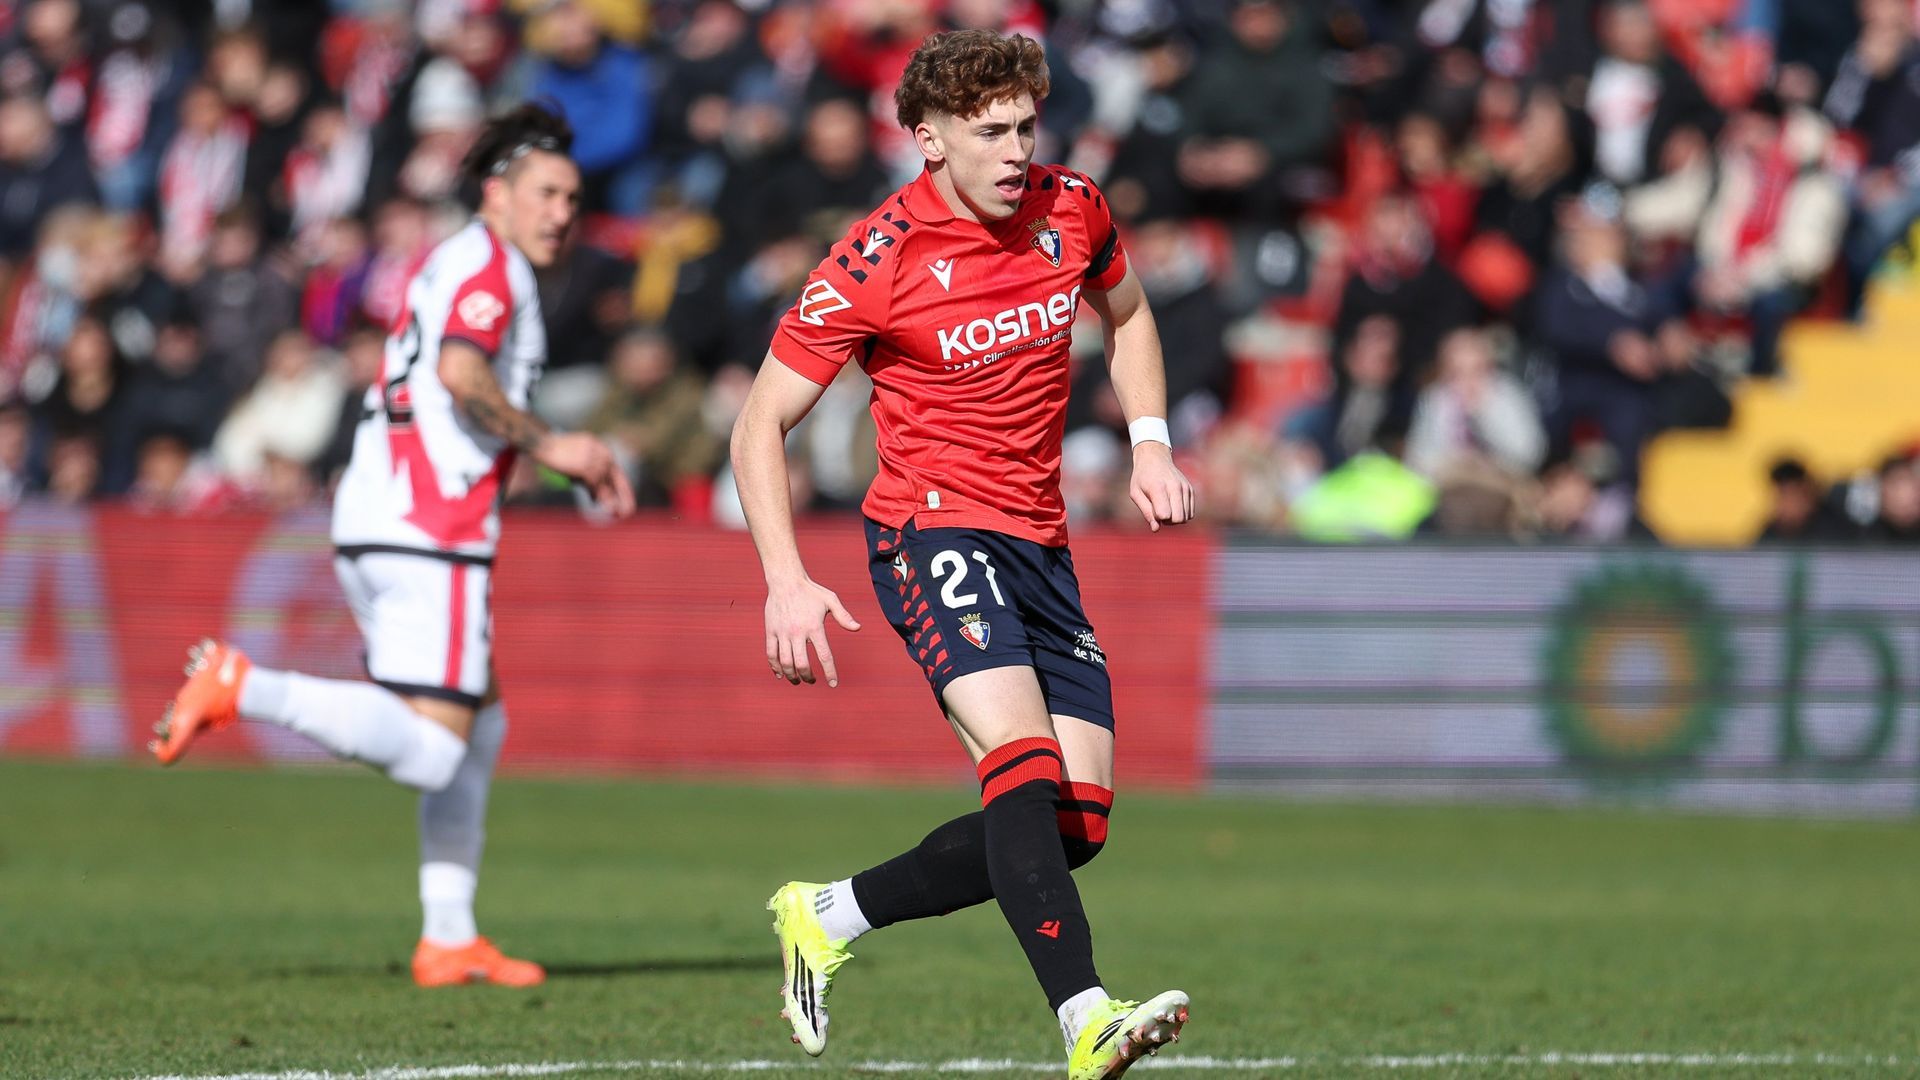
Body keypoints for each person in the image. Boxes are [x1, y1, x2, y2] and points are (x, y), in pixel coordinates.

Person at [729, 30, 1193, 1079]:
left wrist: (1151, 442)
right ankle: (1086, 1020)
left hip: (1040, 538)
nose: (1017, 150)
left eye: (1027, 126)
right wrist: (786, 580)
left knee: (1074, 823)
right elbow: (759, 424)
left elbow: (1127, 313)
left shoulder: (1073, 207)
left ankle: (827, 914)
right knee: (1018, 764)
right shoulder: (873, 258)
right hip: (929, 530)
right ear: (928, 139)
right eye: (991, 133)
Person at [148, 103, 634, 987]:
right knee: (437, 747)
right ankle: (246, 685)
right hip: (429, 524)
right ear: (498, 193)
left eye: (572, 196)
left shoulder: (460, 256)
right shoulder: (493, 267)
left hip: (388, 511)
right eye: (546, 193)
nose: (562, 211)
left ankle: (448, 935)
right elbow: (460, 370)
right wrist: (553, 443)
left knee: (480, 722)